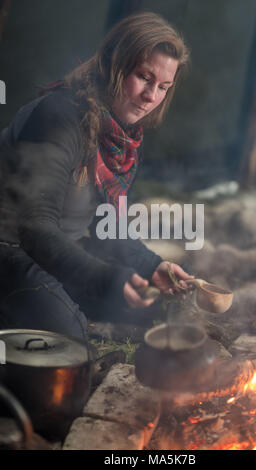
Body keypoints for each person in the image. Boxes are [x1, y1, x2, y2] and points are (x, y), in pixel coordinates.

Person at [0, 12, 193, 341]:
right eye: (144, 77)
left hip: (59, 251)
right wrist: (104, 278)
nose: (151, 96)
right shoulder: (59, 117)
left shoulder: (123, 139)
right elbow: (35, 227)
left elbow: (110, 226)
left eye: (163, 87)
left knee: (152, 308)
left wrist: (152, 266)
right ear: (112, 65)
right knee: (69, 340)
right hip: (10, 248)